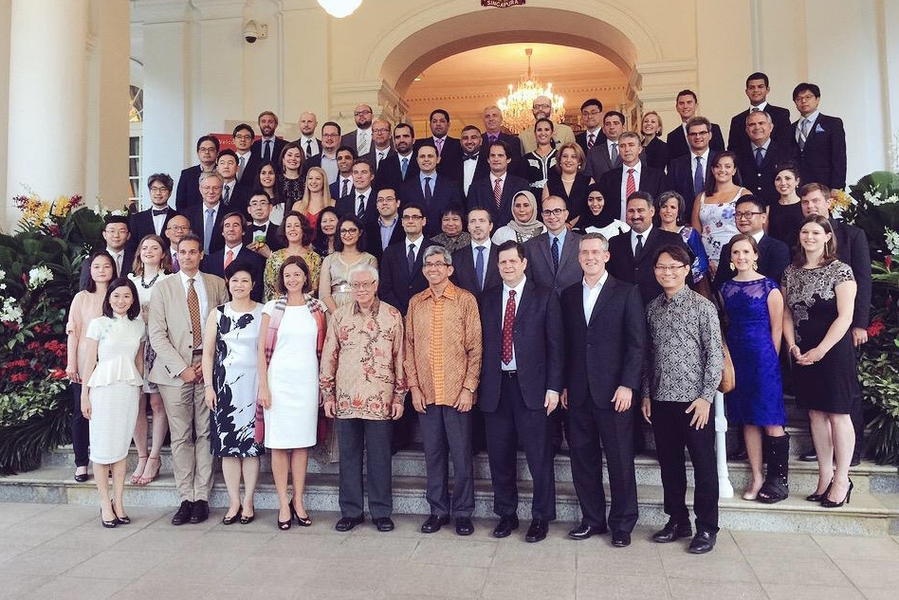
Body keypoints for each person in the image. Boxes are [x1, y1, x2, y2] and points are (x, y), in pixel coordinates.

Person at [561, 233, 646, 547]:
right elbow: (567, 345)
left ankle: (622, 524)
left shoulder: (626, 292)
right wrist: (566, 385)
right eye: (585, 252)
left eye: (596, 252)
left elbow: (637, 345)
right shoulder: (569, 295)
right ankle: (592, 519)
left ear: (606, 256)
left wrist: (628, 385)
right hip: (579, 393)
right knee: (583, 459)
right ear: (578, 257)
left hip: (615, 393)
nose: (590, 257)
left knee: (620, 460)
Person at [479, 240, 563, 543]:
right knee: (500, 457)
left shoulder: (544, 296)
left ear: (524, 263)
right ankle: (507, 514)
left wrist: (554, 387)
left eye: (513, 261)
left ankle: (541, 517)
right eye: (502, 262)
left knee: (539, 457)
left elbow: (556, 346)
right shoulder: (487, 299)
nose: (508, 266)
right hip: (496, 388)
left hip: (534, 390)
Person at [642, 244, 723, 554]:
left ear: (687, 270)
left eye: (674, 267)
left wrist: (705, 398)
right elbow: (648, 357)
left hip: (695, 403)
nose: (668, 272)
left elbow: (714, 356)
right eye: (662, 267)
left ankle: (706, 527)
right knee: (670, 465)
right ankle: (677, 520)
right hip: (662, 400)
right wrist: (647, 394)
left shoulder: (703, 307)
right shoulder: (652, 308)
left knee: (703, 466)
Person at [148, 234, 229, 525]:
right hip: (175, 371)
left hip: (207, 367)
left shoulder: (217, 284)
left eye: (193, 252)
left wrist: (206, 366)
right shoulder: (163, 288)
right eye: (182, 252)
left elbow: (226, 326)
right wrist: (182, 368)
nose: (187, 257)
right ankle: (185, 496)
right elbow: (156, 334)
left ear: (201, 254)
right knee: (181, 435)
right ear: (175, 255)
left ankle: (202, 497)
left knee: (206, 432)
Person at [320, 264, 406, 533]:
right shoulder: (340, 316)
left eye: (366, 284)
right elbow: (329, 355)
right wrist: (328, 394)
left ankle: (381, 512)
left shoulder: (392, 315)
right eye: (356, 285)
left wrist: (399, 397)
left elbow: (400, 358)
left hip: (380, 399)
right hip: (346, 398)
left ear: (376, 285)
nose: (361, 290)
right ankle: (351, 511)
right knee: (349, 457)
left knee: (380, 457)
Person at [405, 245, 482, 536]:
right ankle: (437, 510)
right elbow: (408, 347)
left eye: (439, 264)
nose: (433, 269)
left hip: (456, 392)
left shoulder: (465, 300)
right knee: (433, 455)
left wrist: (468, 388)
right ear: (423, 270)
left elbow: (475, 348)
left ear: (450, 269)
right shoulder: (416, 302)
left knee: (461, 455)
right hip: (426, 392)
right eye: (428, 264)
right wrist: (413, 387)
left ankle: (462, 512)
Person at [782, 215, 858, 508]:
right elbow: (787, 313)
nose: (809, 237)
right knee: (815, 414)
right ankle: (824, 477)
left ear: (827, 236)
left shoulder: (841, 271)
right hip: (802, 351)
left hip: (833, 351)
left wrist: (822, 349)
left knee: (838, 414)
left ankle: (842, 479)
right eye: (804, 231)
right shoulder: (790, 271)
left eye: (816, 232)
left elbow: (846, 316)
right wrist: (792, 346)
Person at [257, 256, 328, 529]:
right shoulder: (272, 308)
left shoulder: (317, 308)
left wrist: (323, 387)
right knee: (279, 443)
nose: (292, 279)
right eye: (287, 275)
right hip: (279, 382)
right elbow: (261, 350)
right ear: (281, 279)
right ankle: (283, 503)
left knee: (300, 443)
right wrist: (263, 385)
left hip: (307, 382)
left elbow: (322, 351)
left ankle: (299, 500)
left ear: (305, 277)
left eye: (297, 274)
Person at [719, 234, 789, 502]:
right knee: (748, 419)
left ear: (755, 255)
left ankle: (777, 480)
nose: (741, 257)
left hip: (763, 358)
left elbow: (777, 327)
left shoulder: (769, 287)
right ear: (731, 257)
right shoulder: (725, 289)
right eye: (736, 252)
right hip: (737, 359)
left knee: (770, 418)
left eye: (746, 252)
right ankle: (757, 475)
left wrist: (772, 360)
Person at [201, 262, 265, 525]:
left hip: (253, 385)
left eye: (245, 280)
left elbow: (266, 352)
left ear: (253, 285)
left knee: (250, 446)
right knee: (228, 447)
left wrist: (265, 386)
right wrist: (208, 386)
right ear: (228, 283)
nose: (239, 285)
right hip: (225, 385)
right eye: (235, 280)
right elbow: (207, 353)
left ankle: (248, 501)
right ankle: (233, 502)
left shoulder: (264, 312)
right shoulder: (217, 314)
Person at [80, 277, 145, 527]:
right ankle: (104, 504)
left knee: (119, 448)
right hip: (102, 389)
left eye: (127, 296)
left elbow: (138, 361)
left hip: (128, 390)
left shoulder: (139, 326)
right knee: (101, 449)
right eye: (116, 296)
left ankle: (119, 502)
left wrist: (140, 389)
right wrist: (85, 394)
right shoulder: (98, 324)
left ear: (133, 300)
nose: (121, 301)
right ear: (109, 298)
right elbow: (89, 362)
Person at [126, 235, 173, 486]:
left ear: (163, 253)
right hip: (134, 345)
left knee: (156, 402)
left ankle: (155, 456)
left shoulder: (168, 281)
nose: (149, 251)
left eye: (155, 247)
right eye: (145, 247)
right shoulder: (131, 281)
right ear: (138, 253)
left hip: (158, 346)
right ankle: (142, 455)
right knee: (136, 402)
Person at [66, 251, 115, 483]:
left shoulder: (119, 295)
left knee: (106, 414)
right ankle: (81, 463)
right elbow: (73, 333)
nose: (102, 270)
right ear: (90, 270)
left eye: (106, 266)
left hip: (111, 364)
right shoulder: (81, 297)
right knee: (81, 413)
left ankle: (107, 460)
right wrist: (71, 363)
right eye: (97, 267)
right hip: (85, 363)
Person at [607, 192, 690, 306]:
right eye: (631, 211)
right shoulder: (614, 243)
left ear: (652, 211)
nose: (636, 216)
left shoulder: (672, 240)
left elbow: (685, 278)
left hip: (662, 309)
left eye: (640, 210)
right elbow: (610, 280)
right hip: (624, 310)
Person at [690, 151, 751, 276]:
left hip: (735, 256)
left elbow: (751, 229)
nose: (722, 170)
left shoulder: (744, 194)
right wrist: (703, 260)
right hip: (706, 259)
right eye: (718, 166)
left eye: (728, 166)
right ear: (712, 170)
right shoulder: (701, 197)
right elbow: (695, 233)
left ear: (734, 170)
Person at [713, 195, 791, 290]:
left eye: (748, 214)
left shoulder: (778, 248)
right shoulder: (728, 248)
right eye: (738, 214)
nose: (742, 219)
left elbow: (777, 286)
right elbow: (719, 285)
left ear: (763, 218)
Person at [597, 131, 666, 222]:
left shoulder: (657, 176)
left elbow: (661, 205)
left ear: (640, 149)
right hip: (617, 230)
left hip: (647, 230)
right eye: (622, 146)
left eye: (631, 145)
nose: (627, 149)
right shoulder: (608, 178)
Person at [732, 110, 796, 206]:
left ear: (771, 127)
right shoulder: (737, 154)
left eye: (761, 123)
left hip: (779, 207)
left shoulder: (786, 151)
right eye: (752, 124)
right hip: (748, 208)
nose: (757, 127)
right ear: (746, 129)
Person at [523, 195, 583, 297]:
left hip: (574, 304)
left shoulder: (582, 242)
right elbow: (528, 282)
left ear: (566, 214)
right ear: (542, 215)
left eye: (557, 211)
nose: (552, 216)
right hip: (542, 306)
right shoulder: (530, 246)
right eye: (547, 212)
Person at [790, 83, 847, 190]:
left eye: (808, 97)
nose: (803, 101)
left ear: (817, 99)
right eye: (799, 98)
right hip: (798, 187)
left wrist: (837, 187)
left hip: (825, 186)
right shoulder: (790, 128)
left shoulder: (832, 124)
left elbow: (839, 158)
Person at [201, 212, 266, 302]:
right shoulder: (209, 260)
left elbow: (257, 291)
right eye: (227, 225)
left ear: (243, 231)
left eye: (236, 225)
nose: (231, 229)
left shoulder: (256, 259)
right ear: (222, 232)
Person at [400, 143, 462, 238]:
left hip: (444, 240)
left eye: (430, 156)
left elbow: (457, 213)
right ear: (417, 160)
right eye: (422, 156)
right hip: (416, 240)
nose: (426, 159)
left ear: (438, 159)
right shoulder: (406, 187)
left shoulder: (451, 185)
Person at [318, 215, 378, 313]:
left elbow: (371, 291)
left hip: (361, 309)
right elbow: (324, 294)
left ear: (360, 232)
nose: (347, 234)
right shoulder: (329, 260)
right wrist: (337, 316)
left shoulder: (370, 260)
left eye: (352, 230)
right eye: (343, 231)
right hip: (333, 309)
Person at [666, 116, 720, 218]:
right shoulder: (676, 165)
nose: (698, 137)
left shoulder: (721, 160)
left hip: (717, 219)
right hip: (686, 220)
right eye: (693, 134)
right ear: (688, 137)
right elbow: (670, 195)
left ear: (710, 135)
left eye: (702, 133)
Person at [467, 139, 530, 226]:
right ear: (488, 160)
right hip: (486, 237)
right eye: (492, 156)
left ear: (508, 159)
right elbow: (472, 218)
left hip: (514, 235)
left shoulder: (521, 185)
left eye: (500, 155)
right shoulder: (475, 188)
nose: (496, 159)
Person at [655, 191, 709, 290]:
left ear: (679, 211)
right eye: (664, 207)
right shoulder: (652, 234)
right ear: (658, 210)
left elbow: (702, 261)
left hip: (686, 287)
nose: (668, 211)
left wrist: (682, 278)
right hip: (657, 285)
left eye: (673, 207)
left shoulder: (689, 233)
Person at [263, 211, 322, 301]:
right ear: (284, 230)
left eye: (297, 226)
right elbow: (269, 288)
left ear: (304, 229)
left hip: (307, 306)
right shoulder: (274, 257)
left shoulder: (315, 258)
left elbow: (315, 287)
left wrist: (299, 301)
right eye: (289, 226)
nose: (292, 229)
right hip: (278, 307)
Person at [727, 72, 793, 151]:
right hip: (745, 162)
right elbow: (732, 149)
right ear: (746, 91)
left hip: (775, 161)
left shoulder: (781, 114)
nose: (756, 90)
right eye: (751, 87)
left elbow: (786, 143)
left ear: (767, 90)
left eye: (760, 87)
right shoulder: (737, 120)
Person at [665, 90, 725, 160]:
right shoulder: (672, 136)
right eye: (681, 103)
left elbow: (721, 156)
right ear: (677, 108)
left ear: (696, 105)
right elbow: (672, 163)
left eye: (689, 102)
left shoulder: (714, 129)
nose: (685, 106)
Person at [544, 141, 592, 226]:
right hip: (556, 229)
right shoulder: (550, 184)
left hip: (584, 229)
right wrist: (562, 225)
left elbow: (591, 208)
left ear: (579, 161)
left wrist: (570, 224)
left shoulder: (589, 181)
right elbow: (546, 211)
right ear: (559, 160)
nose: (568, 160)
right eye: (565, 156)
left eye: (573, 157)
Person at [79, 215, 134, 289]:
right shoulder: (91, 262)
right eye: (112, 231)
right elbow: (84, 290)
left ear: (128, 235)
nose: (116, 235)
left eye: (121, 231)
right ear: (104, 235)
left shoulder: (136, 260)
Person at [128, 173, 178, 253]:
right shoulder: (137, 219)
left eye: (163, 189)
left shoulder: (178, 217)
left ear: (170, 193)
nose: (158, 193)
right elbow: (132, 247)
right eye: (154, 189)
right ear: (150, 192)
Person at [413, 108, 464, 180]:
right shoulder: (419, 144)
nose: (438, 124)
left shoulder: (458, 144)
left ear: (448, 125)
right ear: (430, 125)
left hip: (452, 186)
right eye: (434, 121)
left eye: (442, 121)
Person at [175, 135, 219, 211]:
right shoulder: (187, 174)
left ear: (217, 153)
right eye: (203, 149)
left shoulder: (222, 173)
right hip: (191, 220)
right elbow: (180, 204)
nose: (207, 152)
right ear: (198, 153)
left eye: (211, 149)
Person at [767, 162, 805, 246]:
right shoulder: (769, 209)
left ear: (797, 181)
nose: (783, 183)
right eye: (778, 179)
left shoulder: (805, 205)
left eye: (788, 178)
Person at [584, 110, 625, 181]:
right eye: (608, 124)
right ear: (603, 130)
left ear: (623, 128)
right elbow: (588, 177)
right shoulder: (593, 152)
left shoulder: (633, 150)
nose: (612, 127)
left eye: (616, 123)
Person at [244, 190, 286, 259]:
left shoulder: (281, 232)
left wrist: (270, 255)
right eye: (254, 204)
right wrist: (245, 252)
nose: (259, 208)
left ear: (270, 207)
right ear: (249, 209)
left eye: (263, 203)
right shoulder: (242, 232)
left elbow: (285, 261)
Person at [366, 188, 404, 262]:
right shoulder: (368, 228)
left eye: (389, 199)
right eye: (380, 200)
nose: (384, 203)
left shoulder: (406, 225)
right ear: (376, 205)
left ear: (398, 203)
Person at [291, 165, 334, 232]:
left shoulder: (333, 204)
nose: (313, 181)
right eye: (310, 178)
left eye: (318, 178)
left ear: (323, 182)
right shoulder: (297, 206)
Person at [523, 118, 557, 194]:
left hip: (557, 199)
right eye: (539, 130)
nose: (543, 133)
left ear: (552, 132)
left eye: (546, 129)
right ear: (535, 133)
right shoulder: (526, 158)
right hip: (533, 200)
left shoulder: (560, 156)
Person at [277, 141, 306, 209]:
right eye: (289, 155)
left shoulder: (307, 181)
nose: (293, 158)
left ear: (301, 160)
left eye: (297, 156)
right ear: (283, 159)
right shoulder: (276, 180)